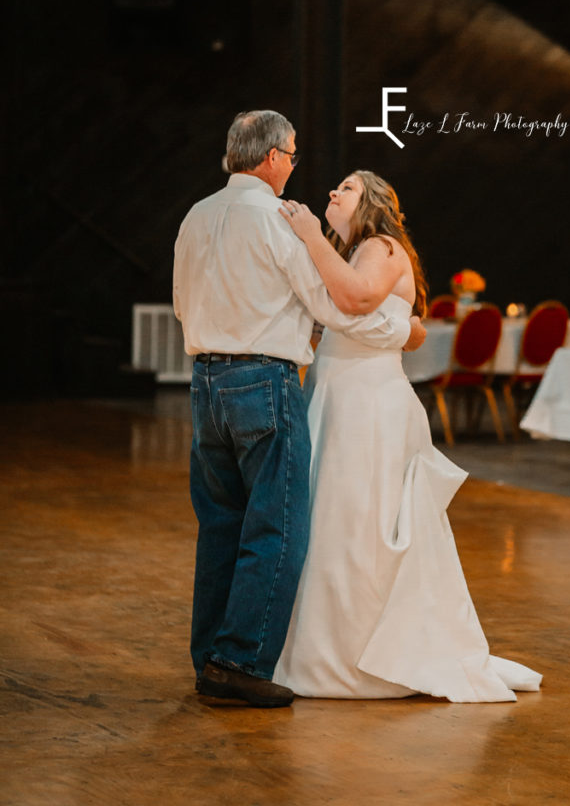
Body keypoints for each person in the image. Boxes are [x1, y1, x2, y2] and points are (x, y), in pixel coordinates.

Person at [173, 112, 426, 708]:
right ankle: (238, 663)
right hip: (263, 380)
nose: (293, 164)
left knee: (220, 525)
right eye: (291, 154)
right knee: (275, 525)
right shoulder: (277, 220)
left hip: (205, 382)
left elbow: (182, 304)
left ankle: (207, 657)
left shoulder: (196, 215)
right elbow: (333, 306)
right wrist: (400, 325)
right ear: (270, 158)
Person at [273, 170, 542, 702]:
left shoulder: (380, 245)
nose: (332, 192)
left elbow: (357, 299)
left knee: (358, 524)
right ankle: (322, 648)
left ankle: (358, 660)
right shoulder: (348, 252)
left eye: (346, 188)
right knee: (331, 523)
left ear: (371, 202)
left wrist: (307, 235)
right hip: (335, 397)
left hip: (368, 406)